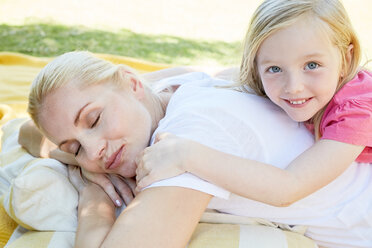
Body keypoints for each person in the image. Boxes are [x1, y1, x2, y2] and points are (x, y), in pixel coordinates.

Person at [132, 0, 372, 247]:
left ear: (346, 57)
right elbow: (220, 75)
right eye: (275, 68)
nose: (294, 86)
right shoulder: (289, 82)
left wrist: (185, 154)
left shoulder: (357, 110)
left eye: (312, 65)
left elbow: (289, 188)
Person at [24, 50, 321, 248]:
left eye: (94, 119)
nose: (93, 153)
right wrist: (79, 163)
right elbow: (25, 133)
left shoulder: (185, 138)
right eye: (75, 148)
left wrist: (92, 197)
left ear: (131, 83)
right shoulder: (168, 86)